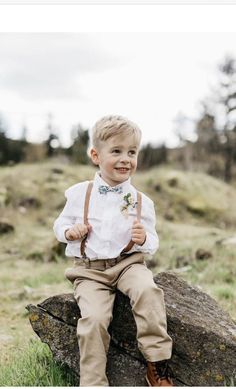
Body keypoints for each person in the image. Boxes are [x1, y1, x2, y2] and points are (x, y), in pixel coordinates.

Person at [53, 115, 173, 387]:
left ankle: (157, 363)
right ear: (96, 155)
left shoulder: (143, 201)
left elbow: (153, 241)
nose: (125, 159)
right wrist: (68, 232)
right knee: (93, 320)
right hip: (90, 271)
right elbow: (60, 224)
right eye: (116, 151)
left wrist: (143, 239)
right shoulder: (79, 193)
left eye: (132, 152)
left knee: (147, 291)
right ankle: (93, 382)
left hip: (128, 264)